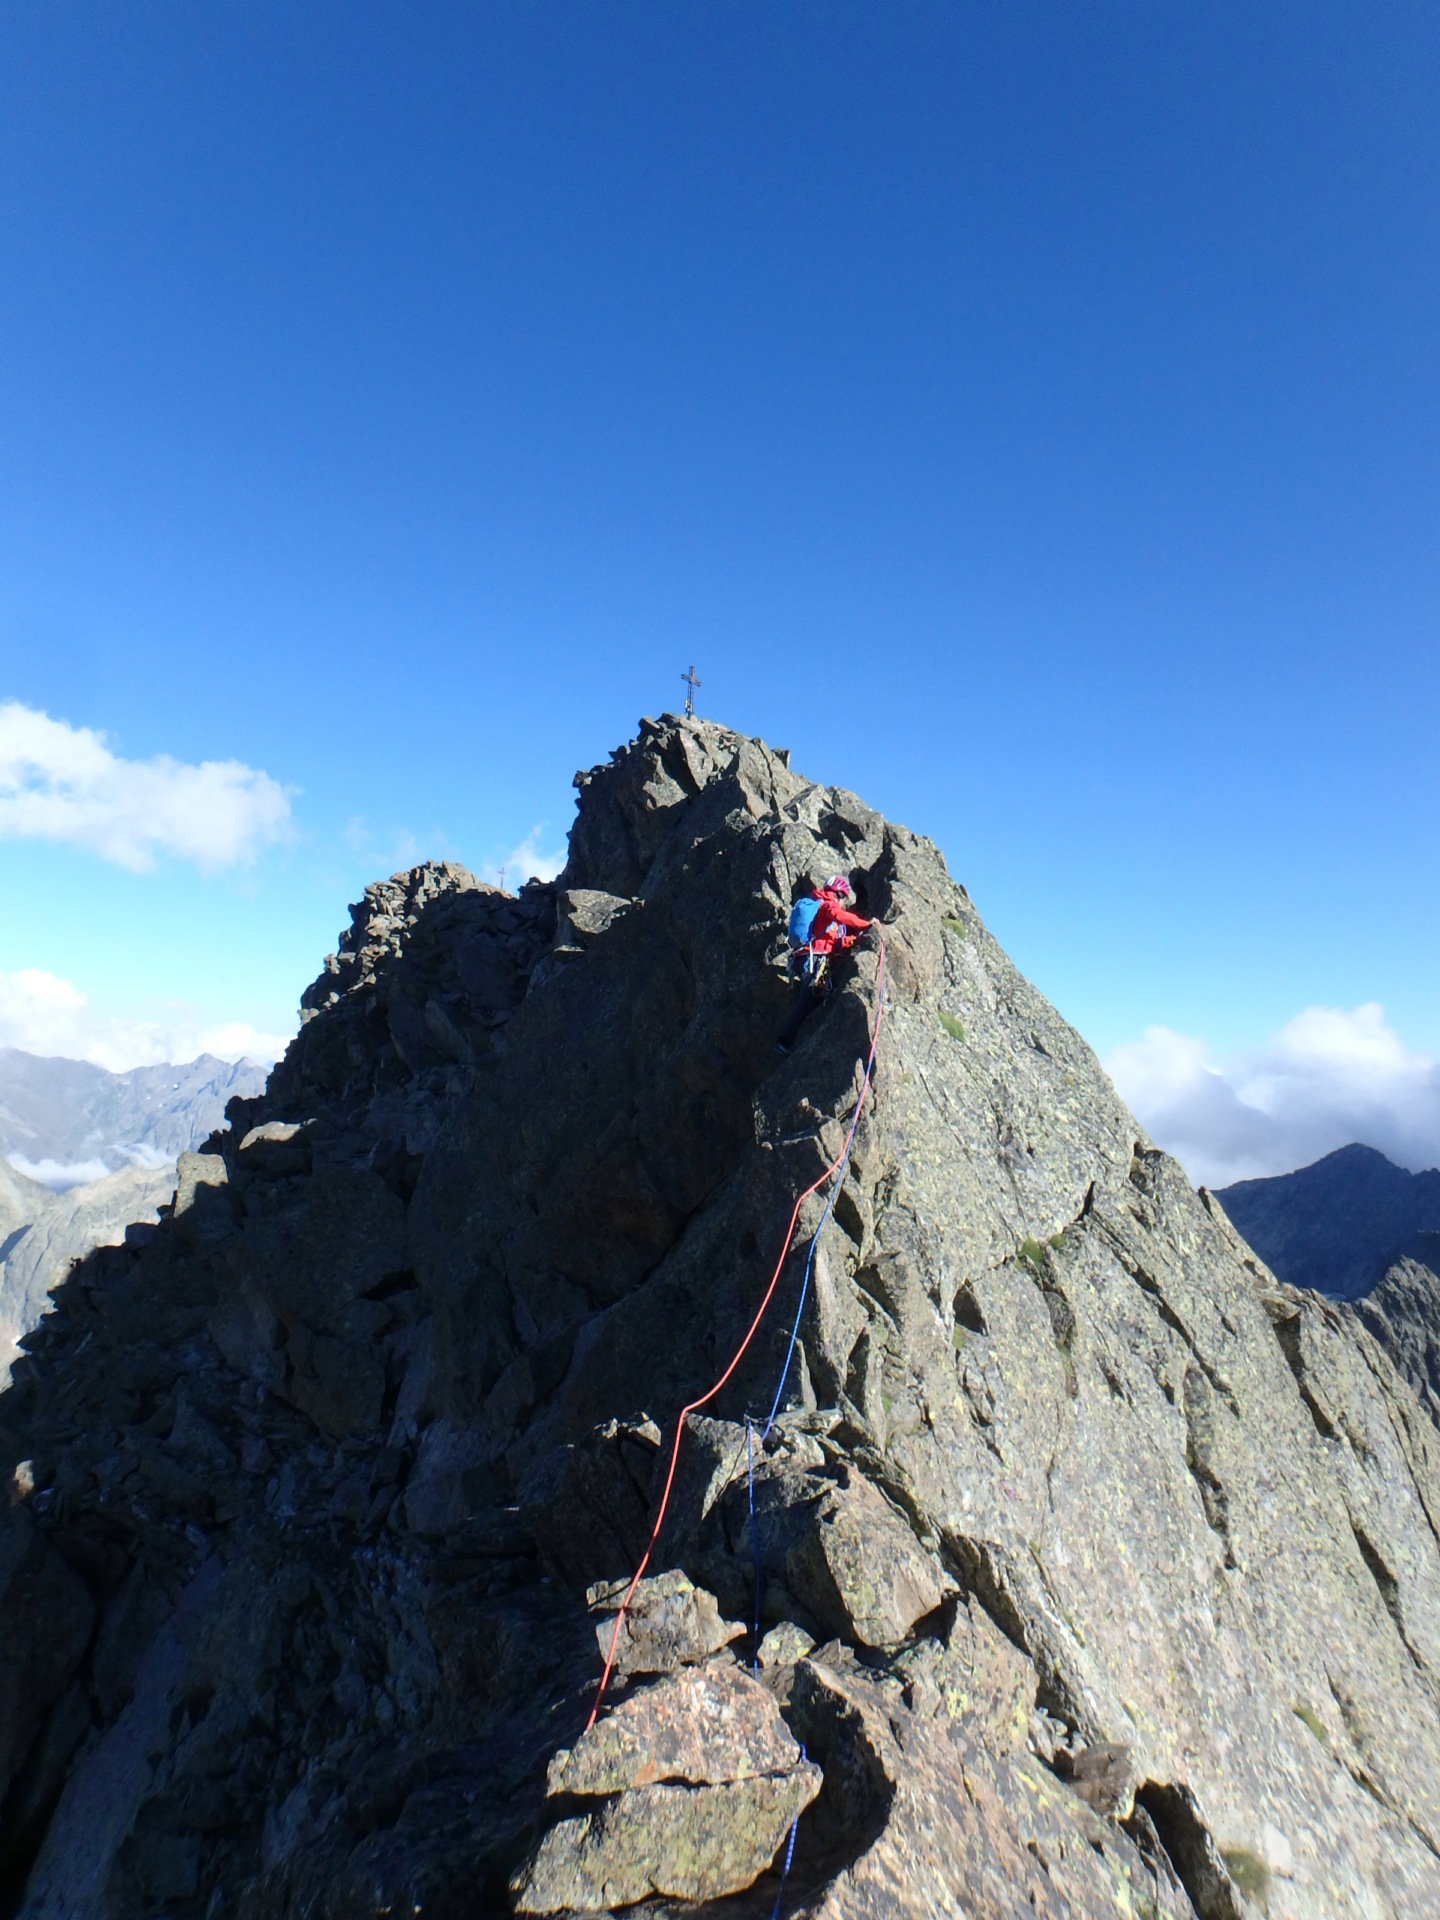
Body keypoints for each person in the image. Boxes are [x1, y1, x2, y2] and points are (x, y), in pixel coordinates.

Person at [777, 875, 876, 1052]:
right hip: (813, 960)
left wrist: (855, 939)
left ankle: (789, 1040)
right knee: (807, 1000)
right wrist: (865, 924)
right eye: (842, 897)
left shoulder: (820, 908)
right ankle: (784, 1041)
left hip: (805, 959)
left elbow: (835, 943)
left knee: (813, 1000)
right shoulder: (828, 904)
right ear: (837, 893)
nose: (842, 901)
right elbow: (839, 916)